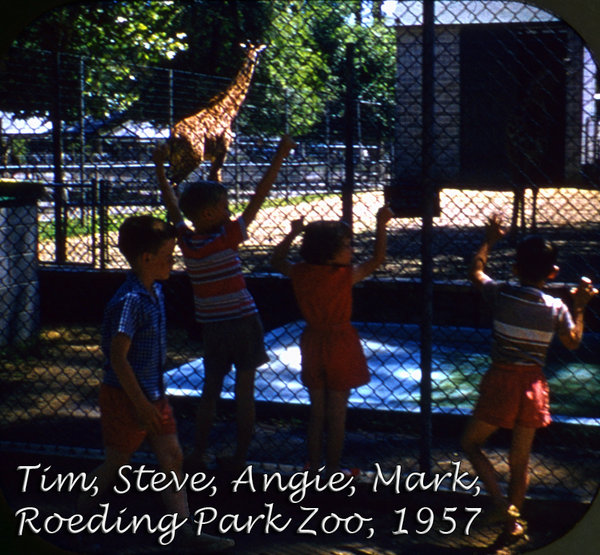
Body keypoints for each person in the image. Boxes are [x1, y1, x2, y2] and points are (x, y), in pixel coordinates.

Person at [79, 215, 233, 551]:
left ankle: (183, 529)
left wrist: (150, 400)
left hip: (153, 394)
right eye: (168, 255)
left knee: (172, 456)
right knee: (117, 461)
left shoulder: (156, 291)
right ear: (147, 259)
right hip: (127, 396)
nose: (173, 261)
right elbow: (117, 358)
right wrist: (139, 403)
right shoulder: (130, 300)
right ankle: (78, 516)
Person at [153, 135, 296, 473]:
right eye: (224, 205)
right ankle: (241, 457)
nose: (230, 210)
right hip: (245, 322)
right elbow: (260, 195)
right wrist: (280, 155)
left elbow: (172, 205)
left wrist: (160, 168)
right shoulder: (227, 236)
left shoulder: (187, 241)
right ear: (209, 212)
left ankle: (198, 452)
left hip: (213, 326)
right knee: (244, 392)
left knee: (210, 390)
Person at [461, 214, 597, 539]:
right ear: (553, 273)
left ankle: (500, 504)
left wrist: (489, 239)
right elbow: (573, 341)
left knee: (470, 442)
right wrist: (579, 305)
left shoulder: (502, 293)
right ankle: (513, 524)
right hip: (534, 386)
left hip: (501, 380)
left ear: (515, 269)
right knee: (520, 459)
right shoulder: (555, 308)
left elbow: (475, 271)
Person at [271, 205, 394, 477]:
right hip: (341, 341)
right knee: (337, 412)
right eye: (347, 245)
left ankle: (314, 467)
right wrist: (381, 224)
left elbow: (276, 261)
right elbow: (378, 258)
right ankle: (334, 468)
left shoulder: (301, 273)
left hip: (313, 341)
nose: (352, 250)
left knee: (317, 411)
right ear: (329, 253)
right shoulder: (343, 276)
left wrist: (292, 234)